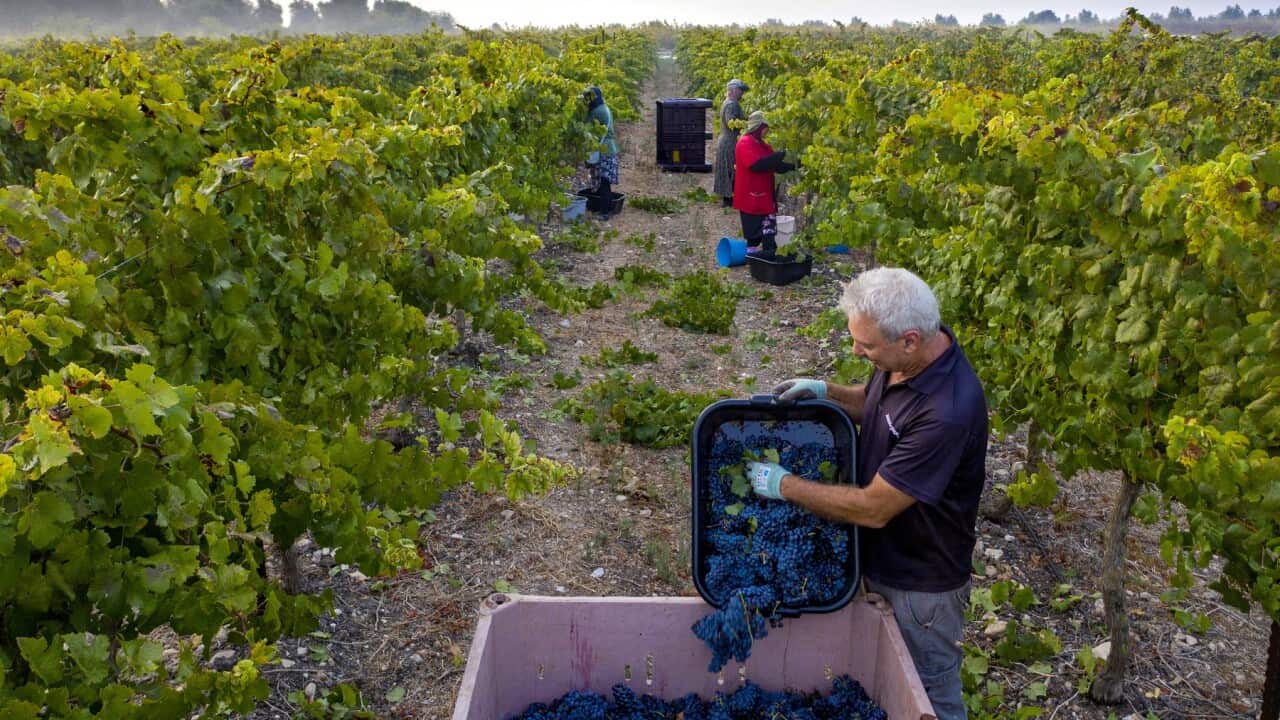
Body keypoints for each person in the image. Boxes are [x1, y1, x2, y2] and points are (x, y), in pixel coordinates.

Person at [746, 267, 988, 720]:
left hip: (920, 586)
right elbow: (876, 403)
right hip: (881, 560)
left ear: (910, 340)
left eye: (867, 345)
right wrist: (827, 394)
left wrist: (784, 485)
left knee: (929, 698)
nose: (856, 351)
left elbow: (874, 508)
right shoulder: (909, 361)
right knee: (880, 683)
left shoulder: (948, 411)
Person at [732, 110, 797, 258]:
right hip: (750, 196)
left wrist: (795, 165)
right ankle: (754, 260)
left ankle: (768, 260)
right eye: (766, 127)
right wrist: (780, 155)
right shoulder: (745, 143)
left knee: (769, 232)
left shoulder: (763, 145)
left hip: (765, 197)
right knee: (753, 235)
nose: (767, 131)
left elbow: (776, 166)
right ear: (759, 126)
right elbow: (757, 165)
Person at [583, 85, 619, 218]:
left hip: (603, 150)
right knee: (604, 182)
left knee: (603, 182)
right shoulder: (604, 108)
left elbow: (586, 129)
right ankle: (605, 209)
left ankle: (604, 212)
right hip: (609, 149)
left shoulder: (596, 112)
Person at [713, 78, 749, 207]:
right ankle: (728, 199)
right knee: (730, 168)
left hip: (726, 139)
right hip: (730, 141)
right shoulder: (732, 104)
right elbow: (731, 123)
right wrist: (747, 124)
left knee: (727, 168)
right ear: (733, 90)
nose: (742, 94)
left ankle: (728, 198)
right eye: (740, 91)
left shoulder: (727, 102)